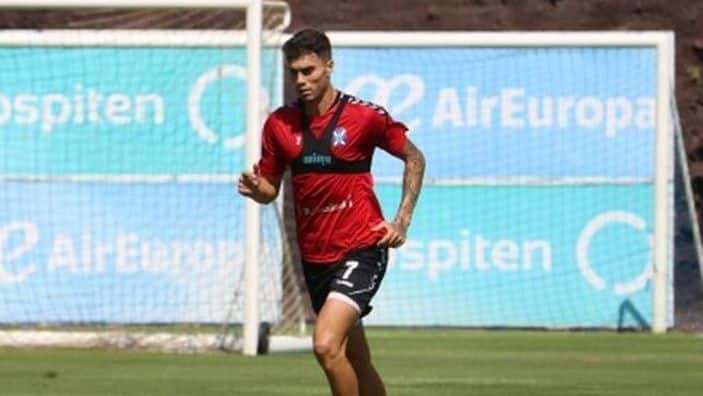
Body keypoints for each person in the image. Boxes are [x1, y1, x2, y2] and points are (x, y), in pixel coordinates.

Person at [238, 28, 425, 396]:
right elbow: (270, 189)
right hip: (316, 257)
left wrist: (402, 220)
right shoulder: (279, 124)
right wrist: (258, 189)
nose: (301, 80)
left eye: (309, 71)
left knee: (324, 344)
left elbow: (414, 158)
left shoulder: (364, 117)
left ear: (329, 66)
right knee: (356, 360)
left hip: (362, 248)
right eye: (294, 73)